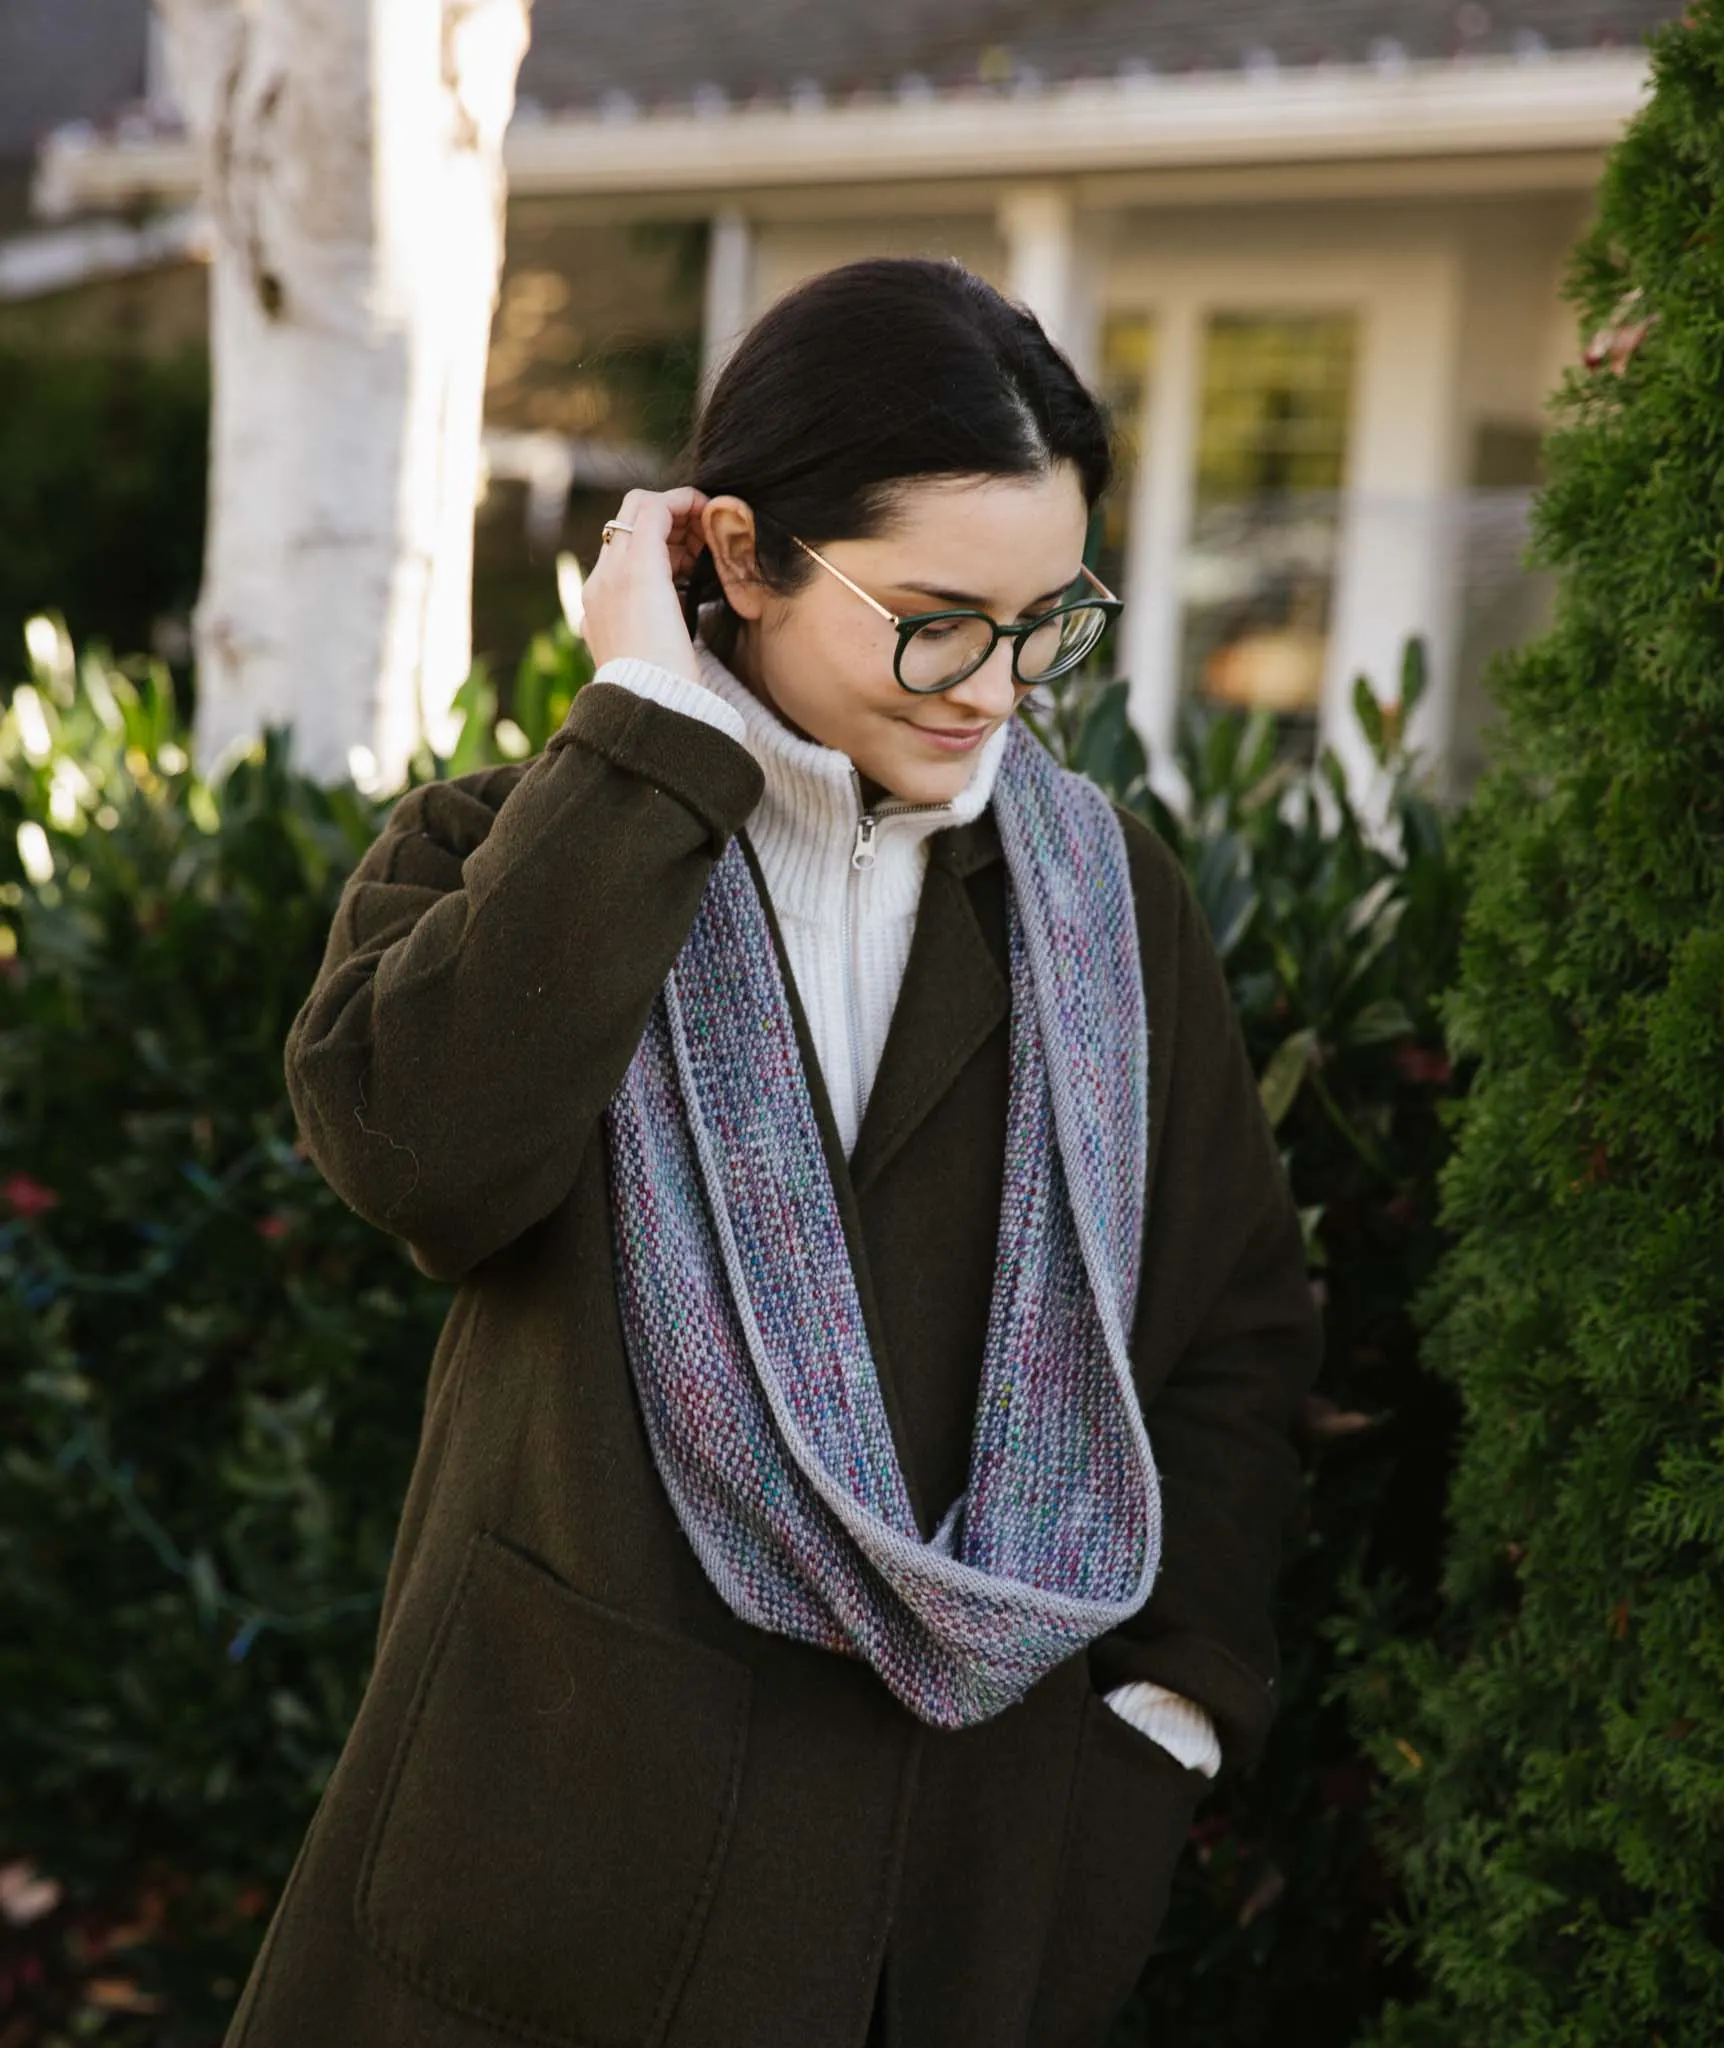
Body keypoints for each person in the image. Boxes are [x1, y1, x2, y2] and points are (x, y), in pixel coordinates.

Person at [227, 256, 1322, 2048]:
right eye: (935, 615)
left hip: (962, 1893)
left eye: (1049, 620)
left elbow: (1228, 1339)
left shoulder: (1107, 908)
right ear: (737, 557)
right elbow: (421, 1160)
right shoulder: (512, 850)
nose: (996, 687)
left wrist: (1167, 1718)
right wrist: (652, 742)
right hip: (567, 1858)